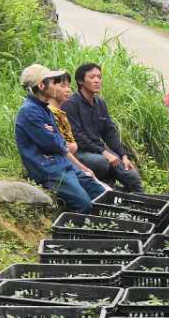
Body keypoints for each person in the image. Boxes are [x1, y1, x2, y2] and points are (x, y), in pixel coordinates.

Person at [15, 64, 107, 213]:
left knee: (101, 195)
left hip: (63, 164)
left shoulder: (43, 108)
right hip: (49, 170)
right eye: (53, 82)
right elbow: (53, 143)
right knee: (84, 204)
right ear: (41, 85)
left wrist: (56, 138)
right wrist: (57, 139)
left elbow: (57, 140)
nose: (57, 86)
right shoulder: (29, 111)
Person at [64, 62, 145, 191]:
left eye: (99, 77)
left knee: (132, 176)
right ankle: (108, 186)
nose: (97, 80)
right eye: (92, 77)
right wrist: (104, 152)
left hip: (99, 150)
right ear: (80, 81)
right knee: (102, 162)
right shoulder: (71, 104)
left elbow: (110, 131)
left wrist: (123, 155)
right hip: (80, 152)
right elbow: (77, 136)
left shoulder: (100, 103)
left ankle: (139, 204)